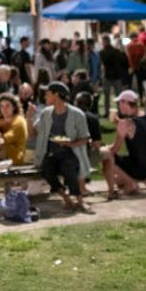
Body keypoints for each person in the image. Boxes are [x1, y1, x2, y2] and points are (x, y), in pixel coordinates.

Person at [30, 81, 92, 212]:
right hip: (51, 154)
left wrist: (70, 143)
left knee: (68, 167)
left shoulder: (77, 114)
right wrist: (29, 117)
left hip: (70, 153)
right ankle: (67, 199)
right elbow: (34, 131)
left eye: (47, 94)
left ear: (56, 95)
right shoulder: (46, 113)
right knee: (47, 170)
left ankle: (80, 201)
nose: (45, 97)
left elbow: (85, 138)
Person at [99, 88, 146, 199]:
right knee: (128, 159)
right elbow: (135, 133)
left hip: (139, 169)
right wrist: (117, 121)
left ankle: (126, 186)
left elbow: (114, 149)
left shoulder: (125, 124)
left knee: (105, 153)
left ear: (126, 103)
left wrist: (106, 147)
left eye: (120, 103)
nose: (118, 106)